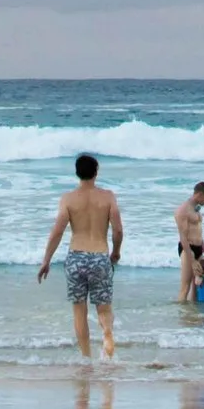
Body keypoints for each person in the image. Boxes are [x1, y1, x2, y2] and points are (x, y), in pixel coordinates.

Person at [37, 153, 124, 359]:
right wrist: (116, 252)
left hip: (76, 258)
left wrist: (46, 260)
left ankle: (87, 359)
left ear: (77, 173)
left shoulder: (68, 199)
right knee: (103, 309)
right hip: (100, 256)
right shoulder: (108, 197)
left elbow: (57, 232)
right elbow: (118, 231)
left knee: (79, 312)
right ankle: (107, 333)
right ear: (96, 172)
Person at [174, 182, 204, 303]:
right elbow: (183, 237)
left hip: (198, 249)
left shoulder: (196, 209)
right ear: (199, 194)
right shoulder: (183, 211)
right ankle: (182, 316)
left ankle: (193, 315)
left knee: (196, 285)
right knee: (185, 287)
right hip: (188, 250)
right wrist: (192, 260)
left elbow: (199, 235)